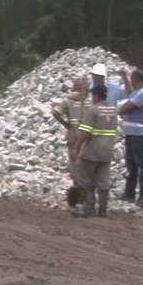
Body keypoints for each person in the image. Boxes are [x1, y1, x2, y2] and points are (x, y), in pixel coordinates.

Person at [73, 83, 120, 217]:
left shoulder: (93, 110)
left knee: (86, 180)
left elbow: (86, 132)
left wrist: (77, 146)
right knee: (103, 180)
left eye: (93, 95)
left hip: (92, 151)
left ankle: (88, 208)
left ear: (96, 95)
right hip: (107, 151)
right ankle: (103, 209)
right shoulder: (113, 110)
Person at [117, 69, 143, 207]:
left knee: (142, 165)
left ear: (136, 80)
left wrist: (119, 110)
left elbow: (126, 107)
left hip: (139, 134)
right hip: (131, 133)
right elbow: (129, 94)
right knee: (131, 165)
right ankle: (129, 193)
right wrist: (125, 77)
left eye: (132, 80)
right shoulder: (138, 92)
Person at [51, 77, 87, 210]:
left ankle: (79, 195)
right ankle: (84, 196)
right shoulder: (89, 102)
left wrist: (67, 125)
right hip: (86, 139)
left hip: (74, 137)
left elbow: (55, 112)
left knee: (75, 168)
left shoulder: (68, 102)